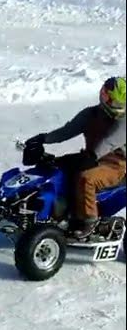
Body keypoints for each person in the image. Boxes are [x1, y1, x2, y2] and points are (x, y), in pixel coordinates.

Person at [25, 76, 126, 240]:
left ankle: (88, 221)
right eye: (105, 94)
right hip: (91, 156)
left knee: (87, 178)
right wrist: (43, 138)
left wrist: (92, 156)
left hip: (114, 166)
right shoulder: (91, 114)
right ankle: (45, 207)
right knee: (53, 166)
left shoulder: (123, 121)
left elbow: (110, 141)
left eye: (110, 97)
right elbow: (67, 131)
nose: (105, 99)